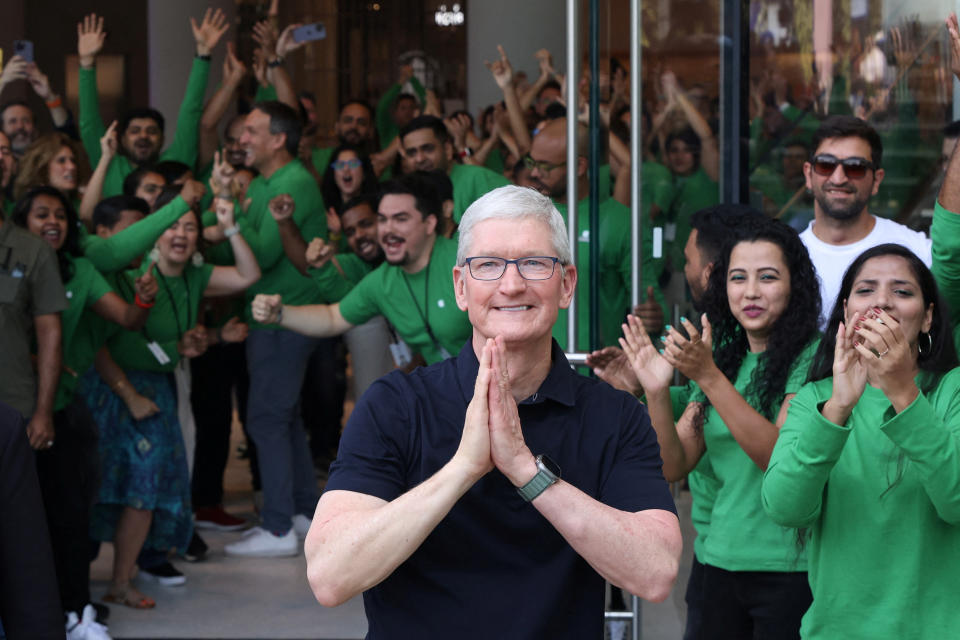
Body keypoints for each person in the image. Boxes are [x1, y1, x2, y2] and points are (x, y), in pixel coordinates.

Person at [303, 185, 680, 637]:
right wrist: (462, 469)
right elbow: (330, 576)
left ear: (567, 285)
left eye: (535, 263)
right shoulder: (396, 406)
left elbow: (655, 573)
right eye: (488, 265)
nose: (512, 284)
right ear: (462, 287)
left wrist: (526, 470)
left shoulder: (616, 416)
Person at [620, 215, 821, 638]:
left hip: (790, 570)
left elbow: (781, 460)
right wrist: (656, 391)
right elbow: (675, 466)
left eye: (768, 277)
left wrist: (708, 376)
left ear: (795, 283)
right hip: (715, 564)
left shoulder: (815, 356)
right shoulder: (724, 353)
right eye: (737, 278)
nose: (750, 291)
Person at [587, 203, 766, 640]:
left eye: (687, 260)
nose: (683, 270)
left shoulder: (773, 350)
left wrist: (697, 378)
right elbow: (678, 453)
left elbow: (772, 452)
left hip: (775, 564)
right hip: (716, 549)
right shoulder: (717, 340)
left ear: (710, 272)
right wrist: (644, 388)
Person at [761, 244, 960, 638]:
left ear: (927, 318)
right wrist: (837, 409)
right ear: (847, 312)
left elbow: (955, 502)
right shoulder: (814, 399)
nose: (883, 301)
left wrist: (903, 392)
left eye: (902, 292)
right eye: (866, 290)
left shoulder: (952, 389)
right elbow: (784, 509)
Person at [87, 196, 259, 609]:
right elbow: (99, 344)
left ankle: (126, 576)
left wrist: (230, 227)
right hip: (116, 390)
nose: (180, 234)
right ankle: (81, 583)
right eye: (170, 226)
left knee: (148, 487)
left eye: (189, 227)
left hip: (161, 387)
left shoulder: (194, 274)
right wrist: (129, 393)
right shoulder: (121, 273)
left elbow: (247, 275)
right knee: (99, 486)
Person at [11, 186, 156, 631]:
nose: (52, 221)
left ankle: (75, 609)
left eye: (60, 214)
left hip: (60, 413)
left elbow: (128, 320)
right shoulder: (12, 266)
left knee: (70, 518)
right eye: (41, 214)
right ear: (21, 222)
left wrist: (144, 298)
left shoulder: (81, 269)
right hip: (13, 411)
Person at [214, 100, 326, 558]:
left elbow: (256, 259)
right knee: (284, 416)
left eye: (252, 131)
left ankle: (279, 527)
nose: (241, 138)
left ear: (279, 139)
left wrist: (223, 213)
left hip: (285, 316)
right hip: (278, 316)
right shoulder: (266, 182)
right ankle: (301, 512)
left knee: (265, 417)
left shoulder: (293, 182)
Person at [250, 172, 472, 366]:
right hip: (452, 391)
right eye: (383, 220)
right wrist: (280, 313)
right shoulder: (382, 281)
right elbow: (332, 317)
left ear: (430, 224)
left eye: (400, 219)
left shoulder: (467, 261)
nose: (388, 229)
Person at [527, 117, 664, 347]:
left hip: (593, 370)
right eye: (531, 162)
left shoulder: (618, 221)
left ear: (579, 167)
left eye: (545, 166)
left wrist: (656, 317)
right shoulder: (523, 216)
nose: (534, 173)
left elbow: (649, 301)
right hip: (530, 370)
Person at [76, 10, 227, 197]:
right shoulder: (107, 164)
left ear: (162, 139)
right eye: (135, 131)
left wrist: (203, 55)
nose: (144, 136)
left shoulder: (176, 163)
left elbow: (191, 112)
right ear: (121, 139)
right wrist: (87, 63)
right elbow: (89, 122)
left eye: (152, 131)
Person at [799, 115, 931, 325]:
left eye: (855, 167)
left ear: (876, 179)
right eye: (826, 165)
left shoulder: (918, 251)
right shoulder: (786, 257)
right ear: (808, 173)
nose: (838, 178)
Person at [399, 115, 510, 223]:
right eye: (411, 153)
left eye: (428, 149)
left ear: (447, 149)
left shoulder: (478, 179)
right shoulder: (405, 193)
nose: (419, 159)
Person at [12, 132, 89, 203]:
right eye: (61, 161)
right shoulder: (26, 209)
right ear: (42, 169)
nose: (72, 166)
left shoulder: (84, 202)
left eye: (73, 160)